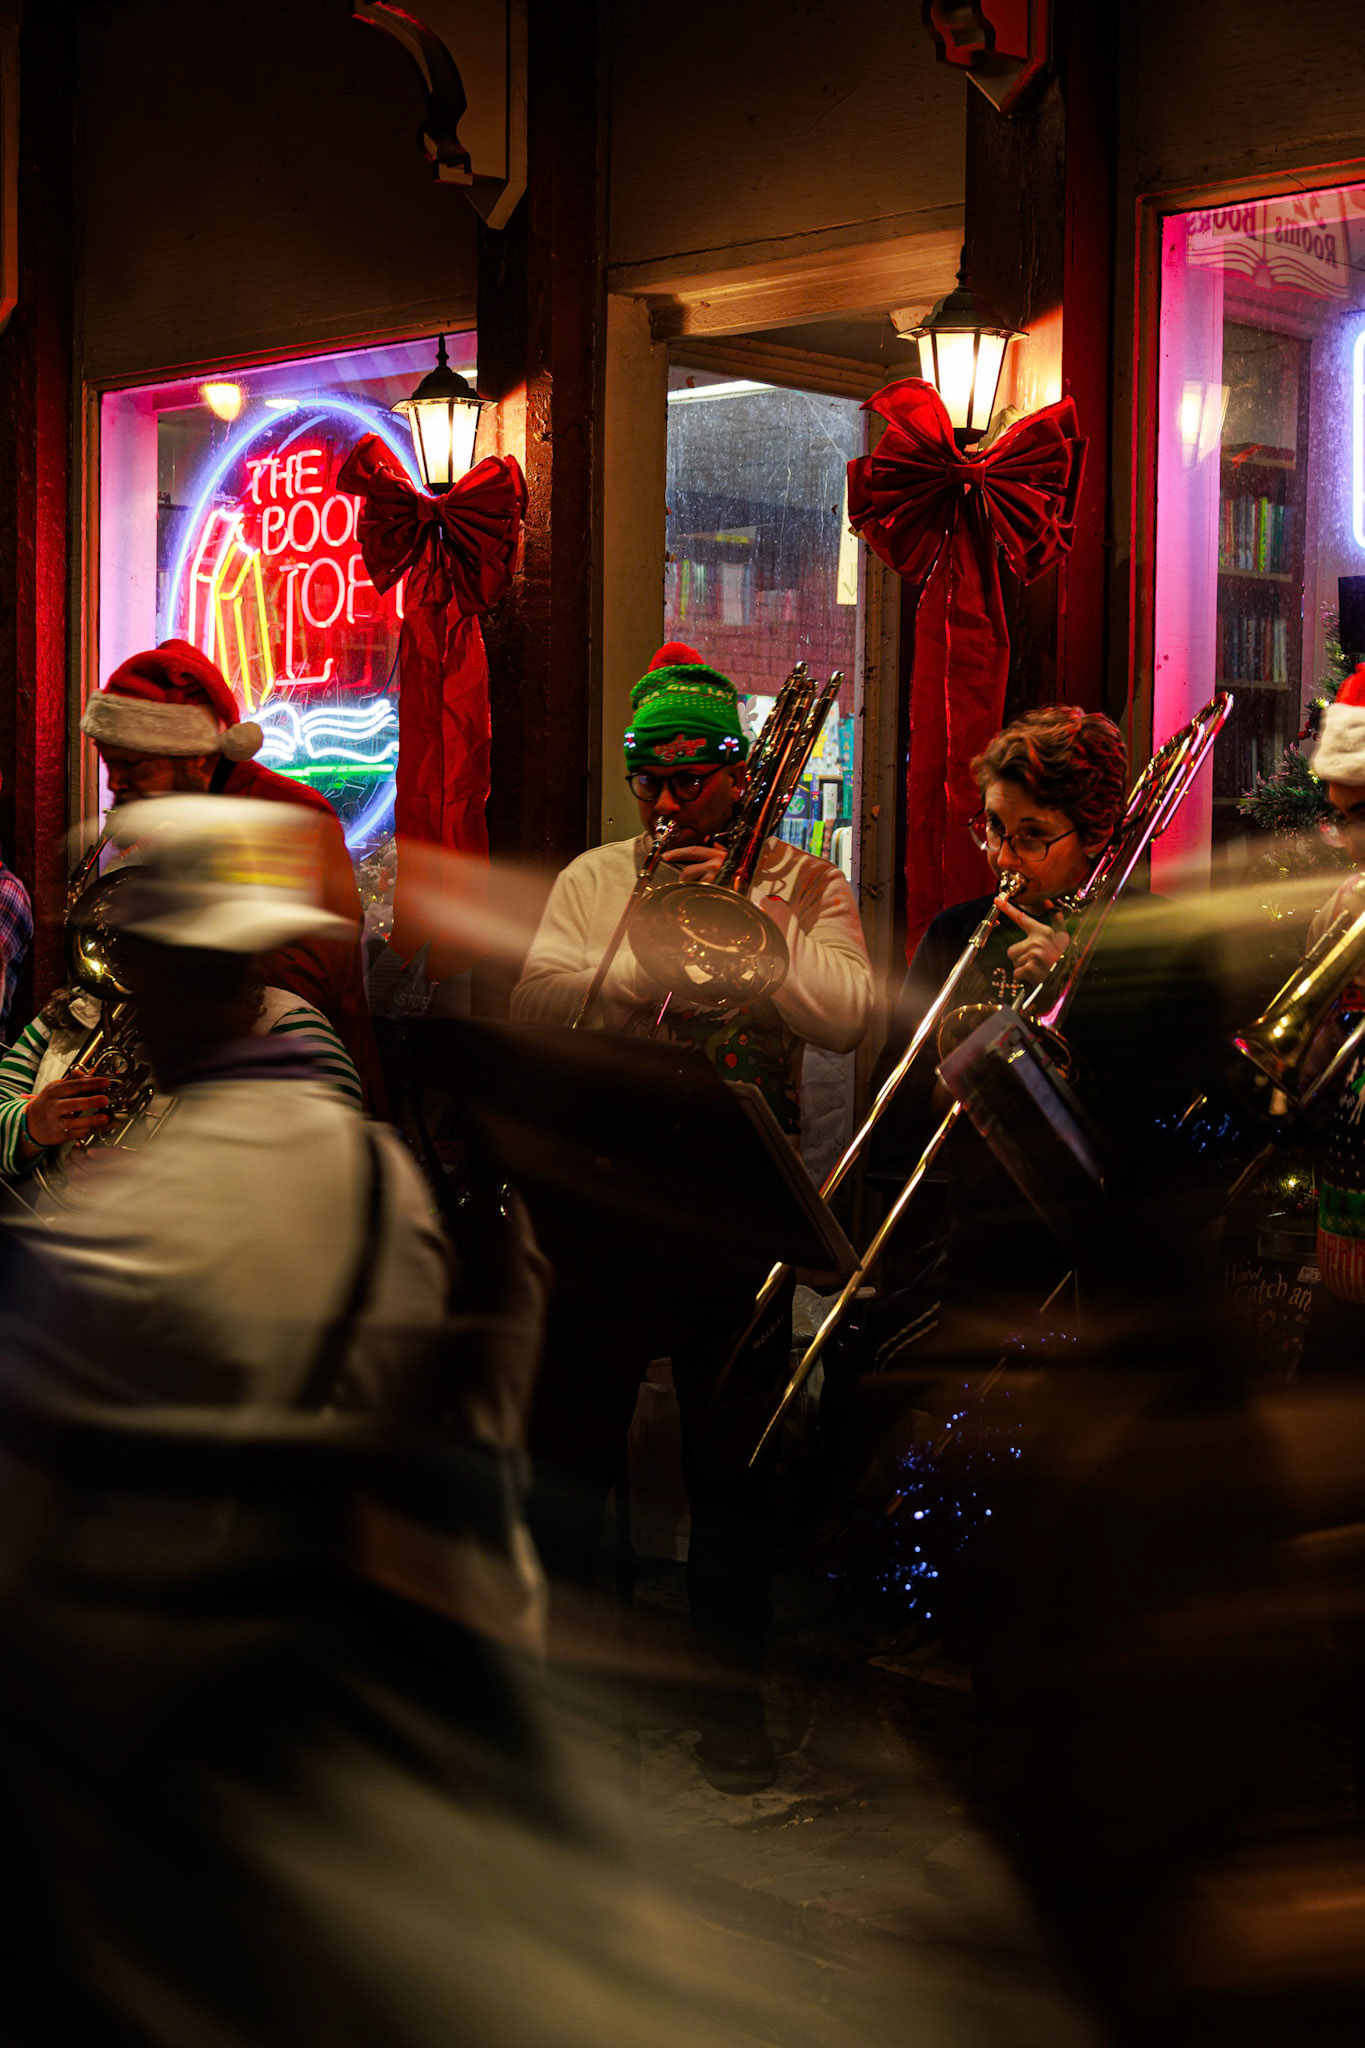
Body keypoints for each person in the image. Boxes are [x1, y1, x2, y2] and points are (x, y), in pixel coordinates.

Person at [511, 642, 873, 1791]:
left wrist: (750, 922)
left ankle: (730, 1708)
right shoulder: (594, 879)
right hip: (606, 1196)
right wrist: (634, 956)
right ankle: (568, 1693)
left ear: (736, 772)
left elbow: (849, 1015)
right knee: (570, 1453)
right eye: (649, 781)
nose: (667, 803)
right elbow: (535, 1003)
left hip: (736, 1200)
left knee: (732, 1470)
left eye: (690, 779)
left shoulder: (806, 882)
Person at [79, 640, 383, 1109]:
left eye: (131, 764)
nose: (114, 783)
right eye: (108, 761)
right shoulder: (169, 820)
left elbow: (309, 979)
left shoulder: (294, 818)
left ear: (194, 756)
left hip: (293, 1090)